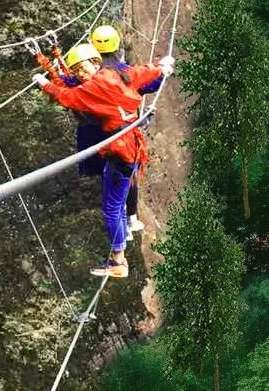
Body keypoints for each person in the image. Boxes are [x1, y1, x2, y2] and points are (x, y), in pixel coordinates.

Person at [33, 43, 174, 278]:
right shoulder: (115, 74)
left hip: (121, 152)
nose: (80, 74)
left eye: (82, 68)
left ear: (95, 62)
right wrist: (160, 68)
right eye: (76, 71)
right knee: (117, 203)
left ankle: (119, 259)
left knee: (110, 209)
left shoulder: (94, 88)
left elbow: (68, 97)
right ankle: (121, 243)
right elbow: (139, 73)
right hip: (128, 147)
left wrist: (45, 84)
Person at [89, 25, 162, 236]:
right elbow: (149, 84)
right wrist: (162, 72)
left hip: (102, 134)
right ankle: (131, 220)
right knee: (127, 177)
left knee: (114, 182)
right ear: (117, 46)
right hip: (125, 136)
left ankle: (128, 223)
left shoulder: (93, 74)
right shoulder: (124, 72)